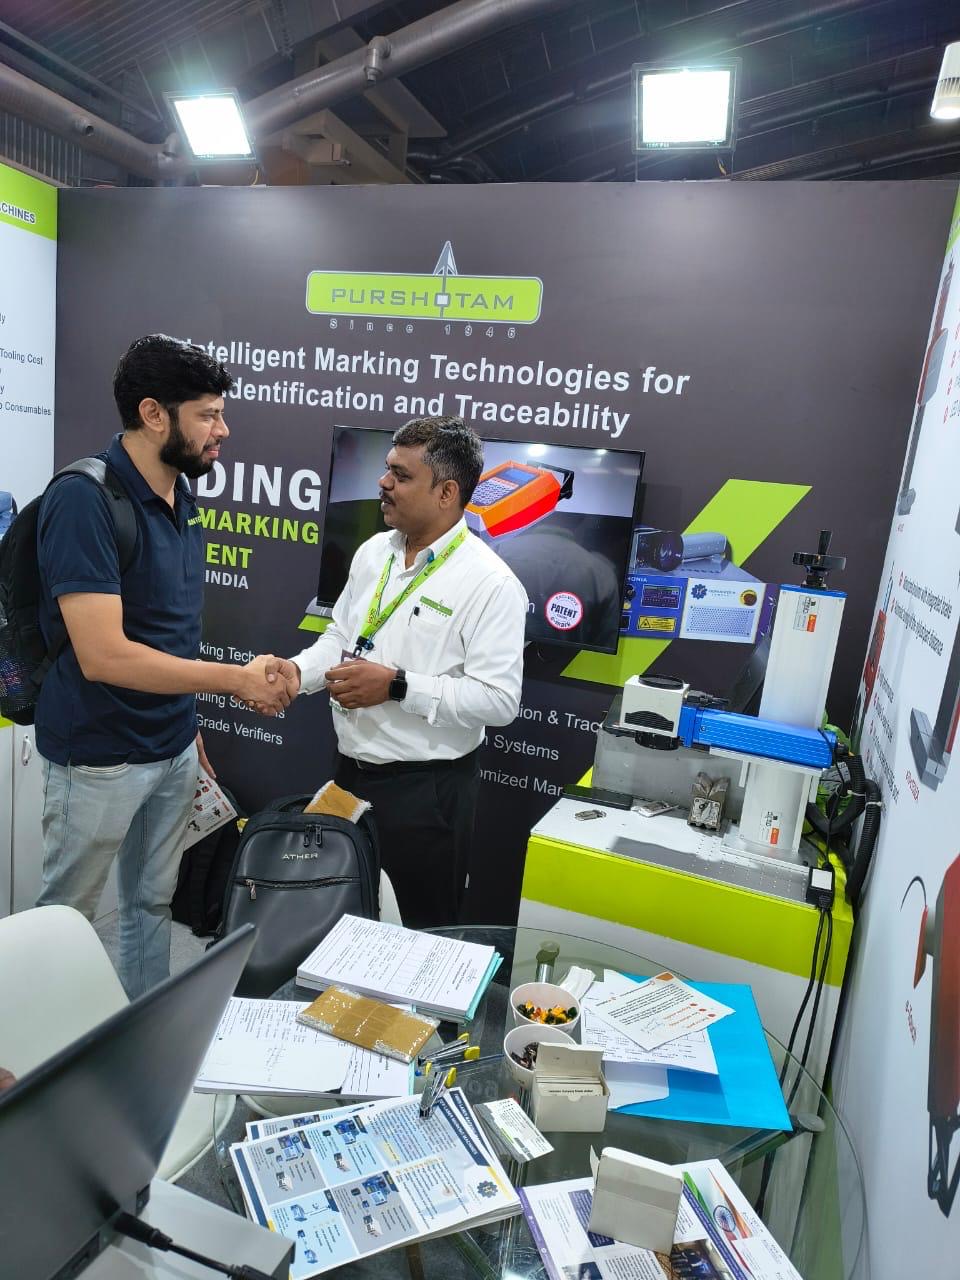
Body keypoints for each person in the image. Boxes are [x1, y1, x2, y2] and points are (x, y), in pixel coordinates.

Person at [35, 334, 297, 998]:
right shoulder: (84, 498)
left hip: (172, 747)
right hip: (98, 756)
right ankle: (35, 1045)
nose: (222, 430)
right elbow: (103, 655)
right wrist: (234, 681)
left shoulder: (181, 495)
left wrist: (188, 722)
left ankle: (141, 1031)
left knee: (150, 905)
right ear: (155, 414)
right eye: (208, 415)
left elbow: (168, 634)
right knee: (64, 920)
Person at [284, 416, 528, 927]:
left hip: (427, 794)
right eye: (386, 469)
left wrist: (397, 686)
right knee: (341, 921)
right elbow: (340, 639)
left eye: (401, 474)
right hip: (349, 773)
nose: (383, 482)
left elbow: (499, 700)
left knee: (418, 934)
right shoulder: (374, 552)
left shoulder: (491, 584)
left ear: (447, 493)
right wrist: (295, 674)